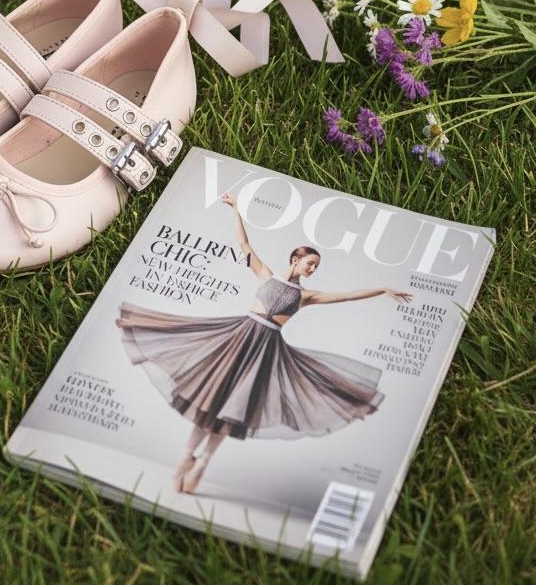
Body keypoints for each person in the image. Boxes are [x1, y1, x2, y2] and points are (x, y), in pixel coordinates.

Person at [116, 192, 413, 494]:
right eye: (310, 263)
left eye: (316, 267)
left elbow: (347, 296)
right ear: (295, 260)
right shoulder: (266, 275)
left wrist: (381, 289)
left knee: (234, 408)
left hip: (267, 351)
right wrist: (236, 209)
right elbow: (244, 244)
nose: (312, 269)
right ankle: (186, 457)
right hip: (238, 339)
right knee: (213, 400)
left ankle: (204, 460)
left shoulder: (306, 296)